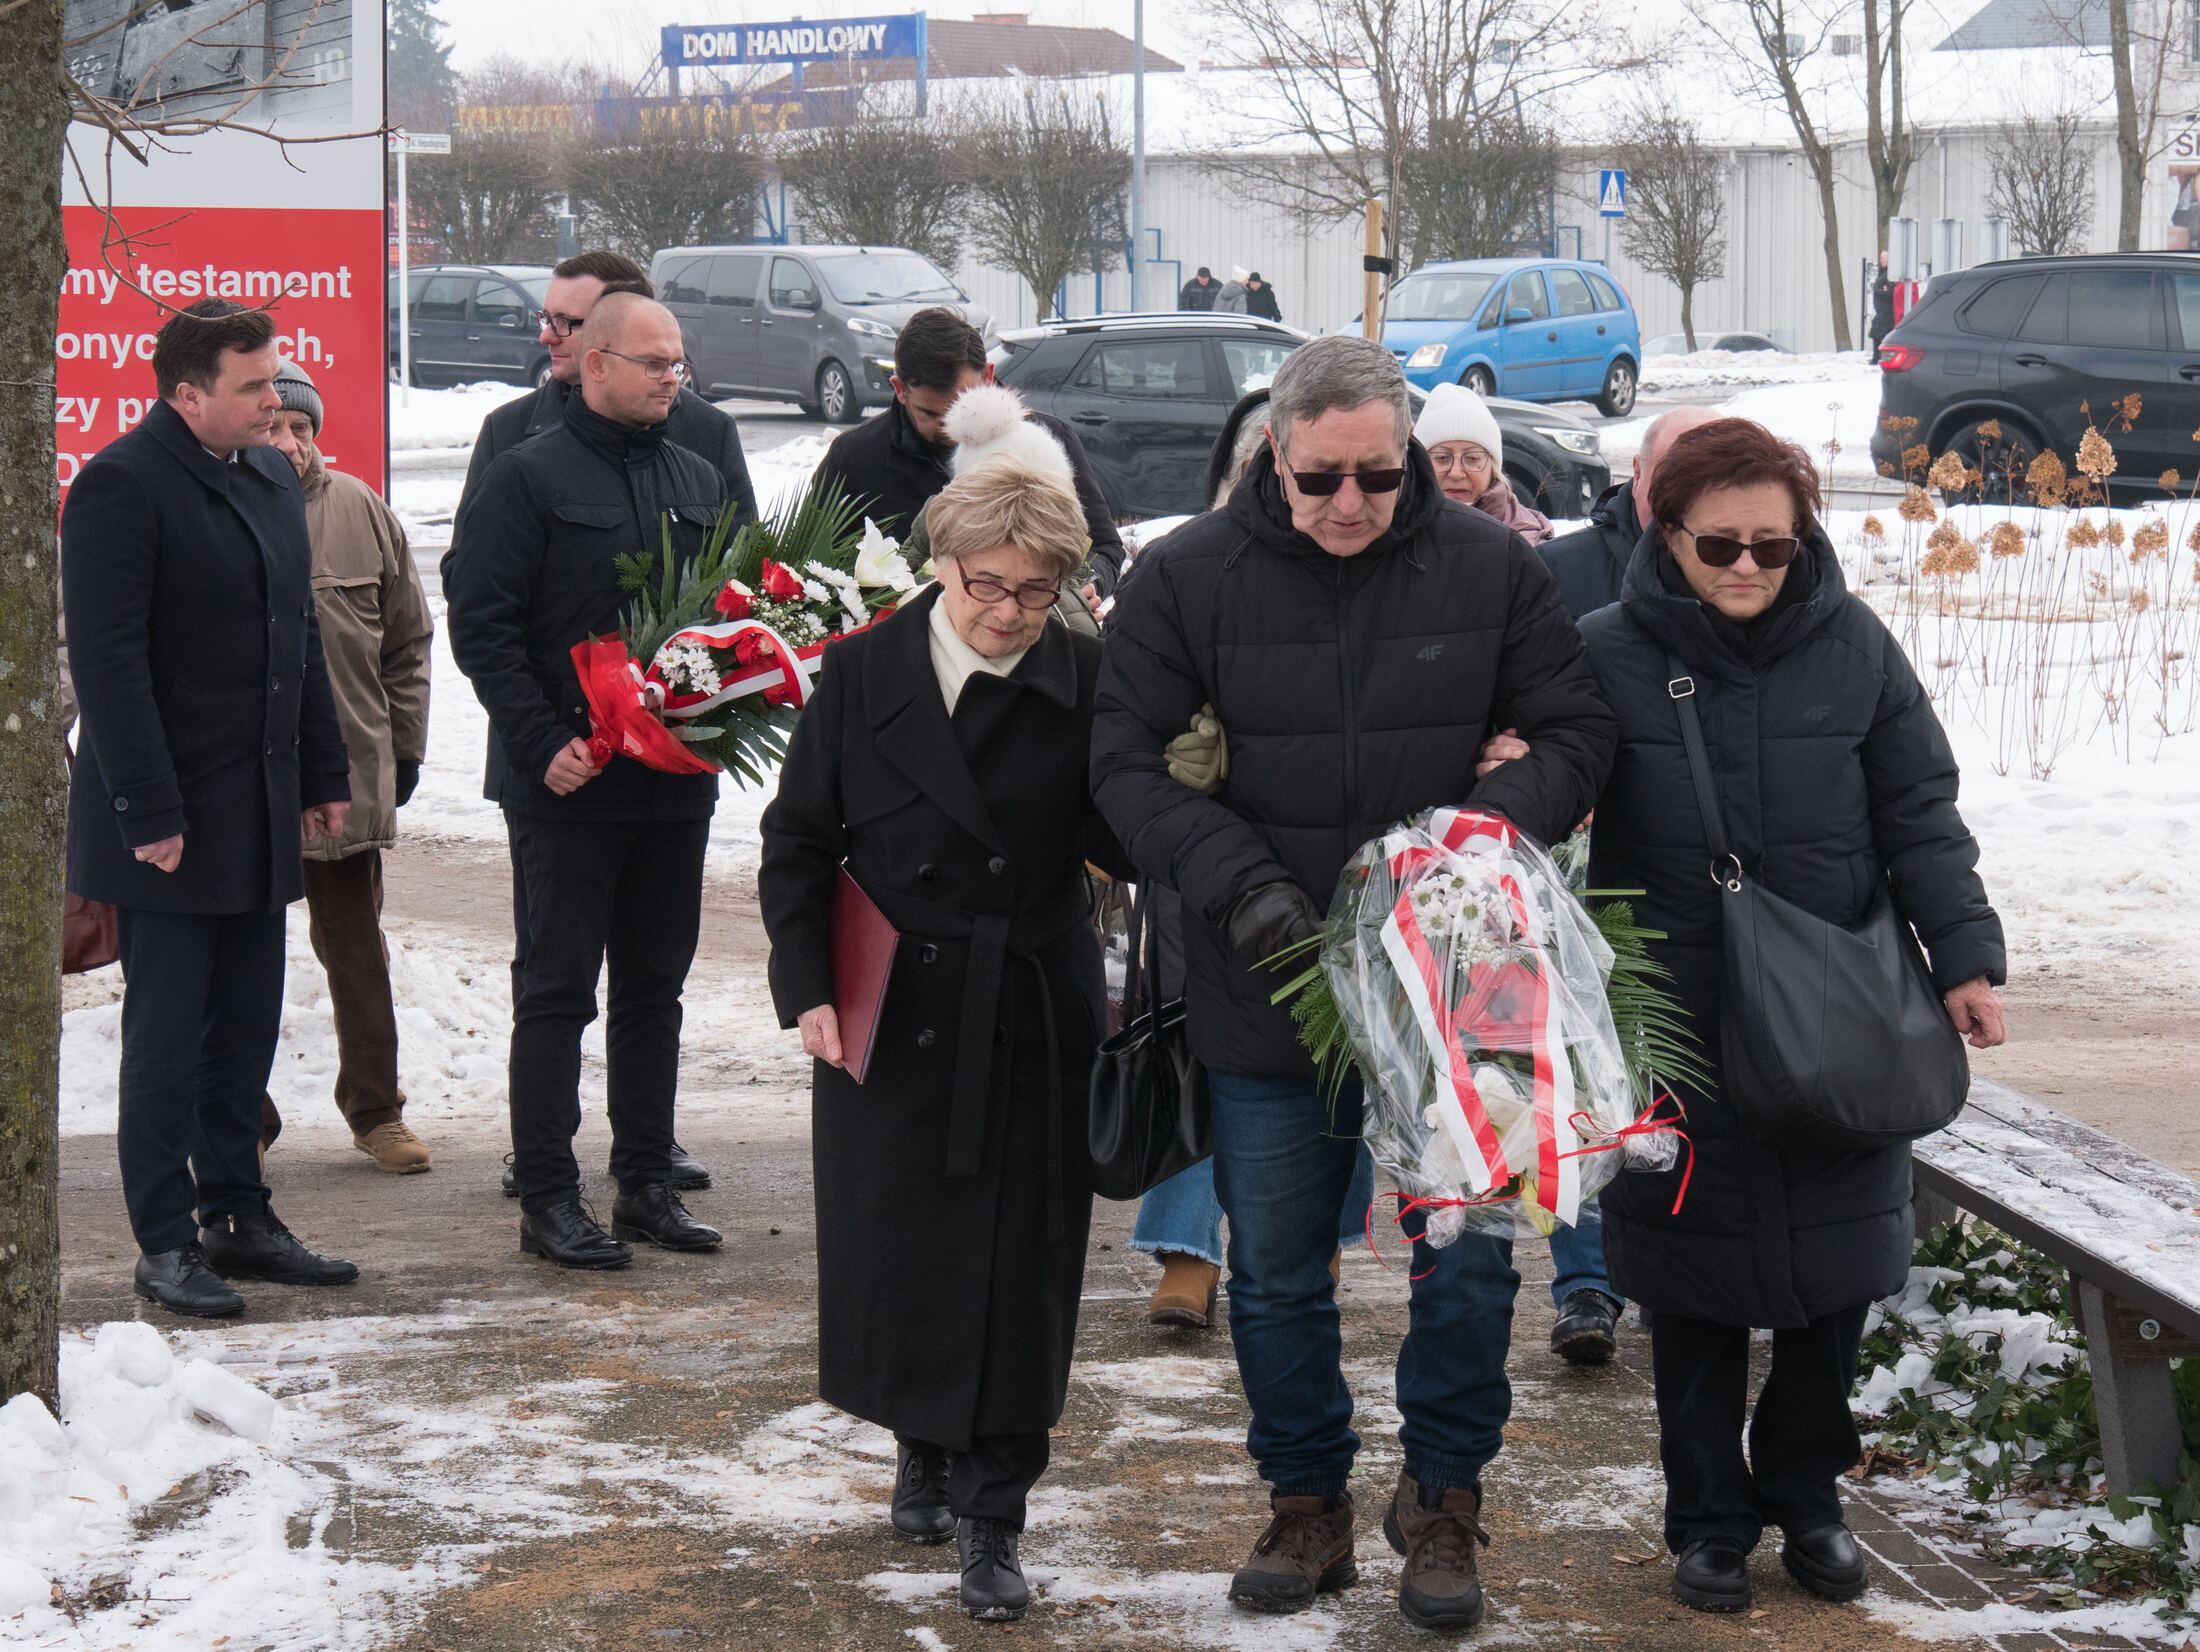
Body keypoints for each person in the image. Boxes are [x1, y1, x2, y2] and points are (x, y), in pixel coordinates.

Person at [1092, 335, 1616, 1631]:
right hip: (1268, 975)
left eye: (1377, 478)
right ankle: (1306, 1498)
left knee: (1471, 1263)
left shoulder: (1490, 569)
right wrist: (1242, 887)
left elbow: (1576, 730)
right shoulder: (1187, 576)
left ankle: (1443, 1498)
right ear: (1274, 453)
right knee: (1276, 1268)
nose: (1348, 503)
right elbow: (1123, 764)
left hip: (1458, 976)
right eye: (1321, 477)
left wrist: (1480, 835)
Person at [1572, 417, 2006, 1614]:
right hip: (1675, 1017)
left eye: (1772, 543)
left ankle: (1808, 1492)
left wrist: (1964, 958)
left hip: (1835, 1009)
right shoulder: (1601, 652)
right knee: (1691, 1285)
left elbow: (1921, 809)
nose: (1748, 566)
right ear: (1667, 533)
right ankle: (1709, 1515)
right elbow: (1548, 789)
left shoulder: (1855, 644)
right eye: (1721, 544)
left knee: (1836, 1272)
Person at [758, 456, 1129, 1624]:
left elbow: (1128, 835)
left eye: (1037, 590)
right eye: (988, 585)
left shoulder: (1089, 678)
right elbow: (798, 839)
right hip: (890, 1003)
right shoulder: (862, 668)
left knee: (1019, 1265)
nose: (1010, 612)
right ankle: (920, 1435)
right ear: (942, 564)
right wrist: (806, 984)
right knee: (901, 1246)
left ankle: (993, 1510)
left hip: (1028, 1002)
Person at [61, 299, 358, 1318]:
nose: (276, 400)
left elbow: (298, 639)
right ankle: (164, 1238)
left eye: (275, 379)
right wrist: (148, 808)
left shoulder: (269, 477)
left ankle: (239, 1212)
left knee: (244, 1029)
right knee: (168, 1040)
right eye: (253, 385)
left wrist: (323, 773)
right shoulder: (121, 485)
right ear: (187, 395)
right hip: (168, 823)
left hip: (258, 806)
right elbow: (109, 666)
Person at [454, 247, 753, 1200]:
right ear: (596, 364)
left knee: (655, 990)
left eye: (678, 363)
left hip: (673, 781)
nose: (673, 378)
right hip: (569, 784)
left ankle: (645, 1184)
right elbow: (483, 625)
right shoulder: (525, 473)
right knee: (556, 993)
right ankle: (548, 1193)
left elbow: (737, 615)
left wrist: (722, 715)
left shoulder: (698, 474)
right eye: (654, 363)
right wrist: (542, 742)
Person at [258, 361, 436, 1175]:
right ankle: (241, 1119)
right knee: (239, 956)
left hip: (346, 775)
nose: (288, 442)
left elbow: (407, 642)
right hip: (243, 779)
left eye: (301, 428)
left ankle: (377, 1112)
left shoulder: (360, 510)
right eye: (273, 426)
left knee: (356, 951)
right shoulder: (212, 507)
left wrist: (404, 749)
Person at [810, 307, 1125, 600]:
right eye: (931, 414)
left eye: (963, 408)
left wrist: (1088, 587)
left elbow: (1104, 546)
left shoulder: (1049, 440)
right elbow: (815, 565)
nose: (952, 429)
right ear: (900, 389)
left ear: (988, 376)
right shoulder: (854, 457)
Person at [1540, 406, 1719, 621]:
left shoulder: (1753, 569)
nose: (1687, 502)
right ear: (1638, 473)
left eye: (1712, 484)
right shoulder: (1554, 571)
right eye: (1671, 480)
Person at [1414, 382, 1550, 546]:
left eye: (1472, 458)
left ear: (1492, 468)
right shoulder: (1395, 529)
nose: (1456, 473)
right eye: (1442, 458)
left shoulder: (1522, 544)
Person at [1869, 251, 1896, 355]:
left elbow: (1890, 292)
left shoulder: (1890, 275)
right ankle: (1877, 357)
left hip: (1886, 313)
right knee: (1878, 335)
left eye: (1883, 258)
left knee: (1879, 335)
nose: (1881, 260)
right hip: (1881, 312)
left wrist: (1878, 290)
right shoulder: (1883, 273)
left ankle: (1877, 358)